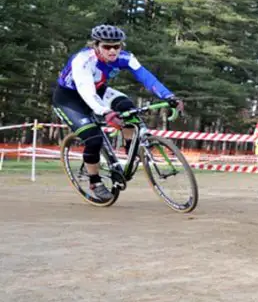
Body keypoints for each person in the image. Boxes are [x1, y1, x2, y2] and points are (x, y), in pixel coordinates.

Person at [53, 24, 184, 202]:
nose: (113, 50)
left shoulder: (125, 57)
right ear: (96, 45)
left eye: (117, 46)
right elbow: (86, 90)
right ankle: (95, 181)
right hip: (70, 99)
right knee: (93, 139)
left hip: (99, 90)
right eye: (107, 46)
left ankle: (130, 149)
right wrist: (105, 112)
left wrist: (168, 96)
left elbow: (146, 77)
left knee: (128, 108)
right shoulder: (83, 60)